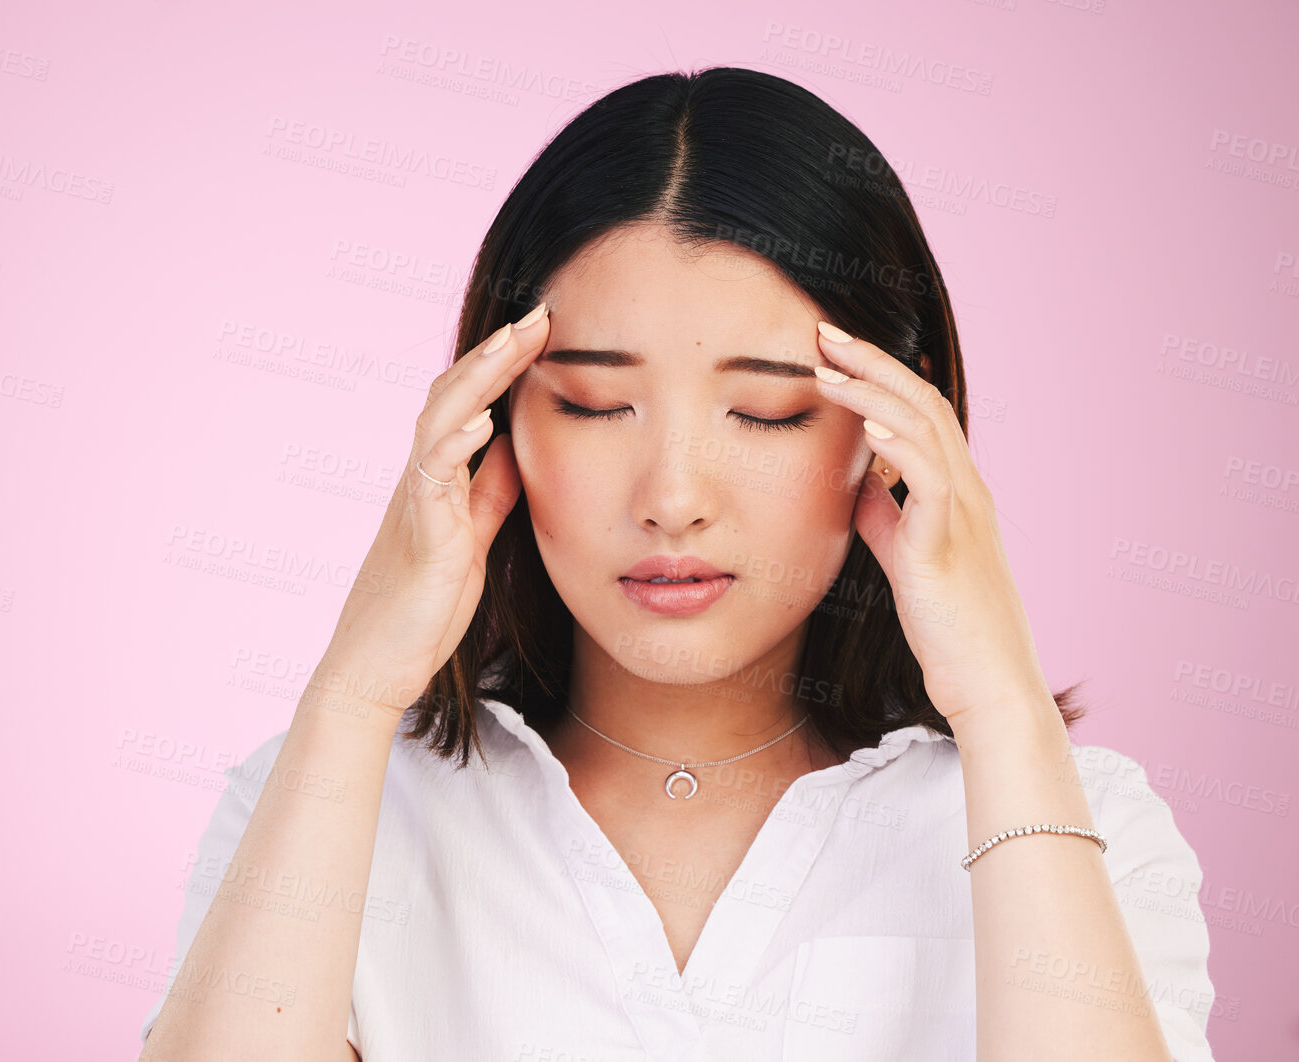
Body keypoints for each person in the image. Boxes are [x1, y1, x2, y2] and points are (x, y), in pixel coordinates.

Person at [137, 67, 1215, 1061]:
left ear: (897, 420)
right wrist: (356, 691)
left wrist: (1001, 708)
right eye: (596, 405)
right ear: (495, 414)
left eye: (767, 410)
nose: (673, 500)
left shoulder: (1084, 825)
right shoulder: (334, 800)